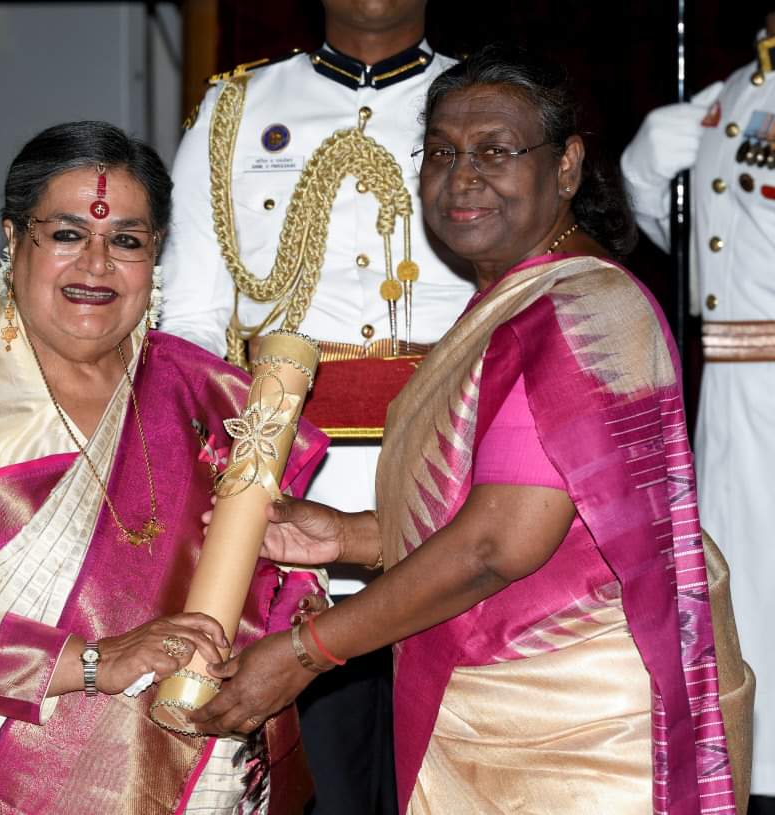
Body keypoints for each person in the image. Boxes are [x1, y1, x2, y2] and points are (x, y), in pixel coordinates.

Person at [189, 46, 754, 815]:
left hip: (577, 730)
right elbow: (526, 509)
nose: (463, 175)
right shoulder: (520, 301)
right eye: (443, 152)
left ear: (566, 166)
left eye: (496, 150)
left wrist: (305, 652)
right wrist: (349, 535)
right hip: (510, 712)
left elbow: (500, 544)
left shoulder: (582, 310)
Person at [0, 121, 328, 815]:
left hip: (192, 770)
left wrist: (295, 617)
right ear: (12, 239)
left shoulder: (205, 394)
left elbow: (280, 561)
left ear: (155, 254)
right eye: (66, 235)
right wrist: (91, 662)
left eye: (125, 240)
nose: (96, 264)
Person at [161, 2, 474, 811]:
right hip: (284, 486)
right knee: (316, 775)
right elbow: (192, 322)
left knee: (442, 770)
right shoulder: (237, 109)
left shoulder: (478, 103)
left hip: (450, 475)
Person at [621, 14, 775, 813]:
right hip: (727, 400)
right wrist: (645, 171)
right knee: (735, 599)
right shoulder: (731, 96)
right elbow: (693, 247)